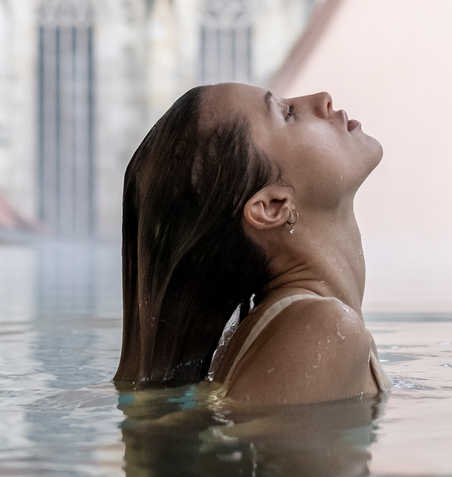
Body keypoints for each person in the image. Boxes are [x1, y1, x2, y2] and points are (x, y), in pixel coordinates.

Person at [114, 83, 388, 405]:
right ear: (272, 206)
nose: (322, 99)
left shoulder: (302, 330)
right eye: (289, 114)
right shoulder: (326, 330)